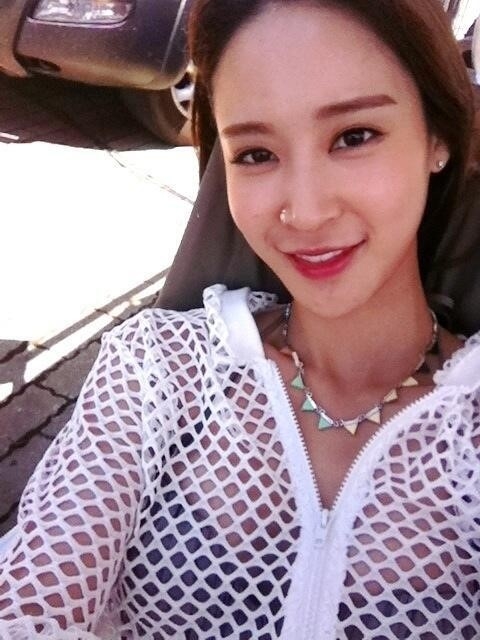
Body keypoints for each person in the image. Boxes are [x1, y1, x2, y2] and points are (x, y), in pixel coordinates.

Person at [0, 0, 479, 638]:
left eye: (354, 136)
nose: (305, 212)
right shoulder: (159, 372)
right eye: (255, 153)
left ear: (437, 136)